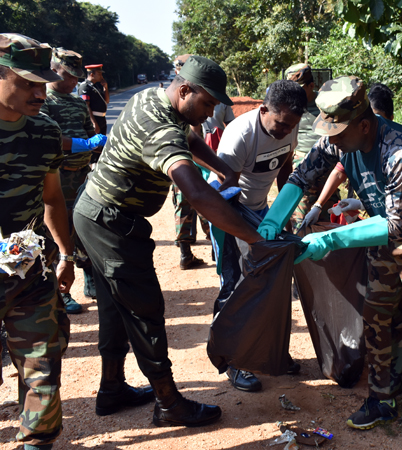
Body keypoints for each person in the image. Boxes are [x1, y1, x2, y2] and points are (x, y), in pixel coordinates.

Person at [268, 76, 402, 447]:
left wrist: (331, 238)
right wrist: (274, 218)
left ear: (363, 124)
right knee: (378, 318)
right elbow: (303, 175)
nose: (333, 142)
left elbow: (397, 225)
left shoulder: (400, 153)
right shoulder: (339, 138)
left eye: (339, 134)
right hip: (382, 237)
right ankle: (382, 399)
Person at [73, 55, 262, 427]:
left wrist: (221, 168)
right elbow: (194, 193)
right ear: (185, 89)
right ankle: (169, 403)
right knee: (145, 311)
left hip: (93, 211)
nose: (210, 113)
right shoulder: (161, 129)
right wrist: (254, 238)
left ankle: (111, 389)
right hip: (112, 223)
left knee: (114, 308)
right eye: (207, 103)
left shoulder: (152, 97)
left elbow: (190, 138)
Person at [0, 33, 73, 450]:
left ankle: (37, 443)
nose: (40, 92)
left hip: (27, 268)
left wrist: (65, 254)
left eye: (43, 82)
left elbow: (52, 198)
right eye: (28, 82)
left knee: (43, 364)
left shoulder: (46, 132)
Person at [211, 79, 306, 392]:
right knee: (237, 285)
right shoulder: (240, 135)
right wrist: (250, 235)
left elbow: (285, 170)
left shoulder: (289, 125)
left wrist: (282, 216)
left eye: (290, 126)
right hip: (228, 213)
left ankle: (267, 352)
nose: (283, 131)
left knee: (270, 282)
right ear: (264, 110)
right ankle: (232, 361)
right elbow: (226, 193)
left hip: (262, 212)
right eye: (279, 124)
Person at [41, 47, 107, 314]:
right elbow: (46, 139)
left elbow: (92, 129)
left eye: (75, 77)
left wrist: (95, 140)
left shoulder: (78, 101)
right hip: (57, 179)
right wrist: (78, 143)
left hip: (81, 176)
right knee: (58, 235)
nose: (73, 82)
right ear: (53, 70)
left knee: (85, 229)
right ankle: (60, 291)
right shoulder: (43, 100)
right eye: (68, 76)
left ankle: (91, 281)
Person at [299, 82, 395, 229]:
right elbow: (339, 171)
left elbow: (398, 220)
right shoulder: (355, 143)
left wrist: (363, 204)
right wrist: (318, 206)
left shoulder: (396, 153)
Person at [285, 63, 342, 231]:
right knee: (300, 217)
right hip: (301, 163)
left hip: (327, 164)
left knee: (327, 213)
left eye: (300, 89)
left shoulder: (326, 105)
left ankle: (325, 255)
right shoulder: (290, 106)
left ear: (311, 85)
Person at [170, 54, 211, 269]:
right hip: (188, 162)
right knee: (205, 202)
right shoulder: (186, 98)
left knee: (184, 206)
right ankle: (214, 245)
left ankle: (186, 252)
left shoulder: (184, 96)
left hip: (182, 163)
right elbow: (194, 139)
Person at [78, 63, 109, 135]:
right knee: (95, 145)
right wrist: (94, 123)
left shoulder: (95, 86)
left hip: (101, 119)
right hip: (94, 120)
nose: (101, 76)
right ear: (92, 74)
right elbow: (86, 106)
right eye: (99, 74)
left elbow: (106, 101)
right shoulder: (85, 86)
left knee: (102, 144)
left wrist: (105, 87)